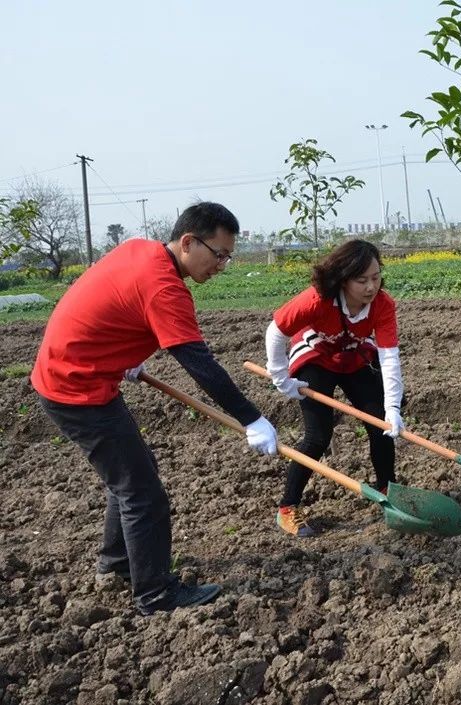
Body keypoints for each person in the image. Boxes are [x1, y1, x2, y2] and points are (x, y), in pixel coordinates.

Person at [31, 202, 278, 615]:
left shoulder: (140, 250)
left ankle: (116, 566)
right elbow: (200, 364)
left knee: (131, 476)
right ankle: (155, 593)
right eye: (219, 254)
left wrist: (121, 352)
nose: (223, 265)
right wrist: (251, 417)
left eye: (228, 256)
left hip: (76, 373)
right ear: (187, 242)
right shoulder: (165, 287)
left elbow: (114, 302)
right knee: (142, 494)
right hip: (77, 388)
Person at [264, 239, 403, 537]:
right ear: (342, 278)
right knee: (318, 435)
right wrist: (281, 377)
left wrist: (393, 407)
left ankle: (389, 492)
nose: (371, 287)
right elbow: (276, 331)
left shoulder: (382, 305)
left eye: (376, 278)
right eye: (361, 280)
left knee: (380, 422)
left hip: (352, 356)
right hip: (315, 356)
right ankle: (288, 507)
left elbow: (389, 356)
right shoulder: (318, 299)